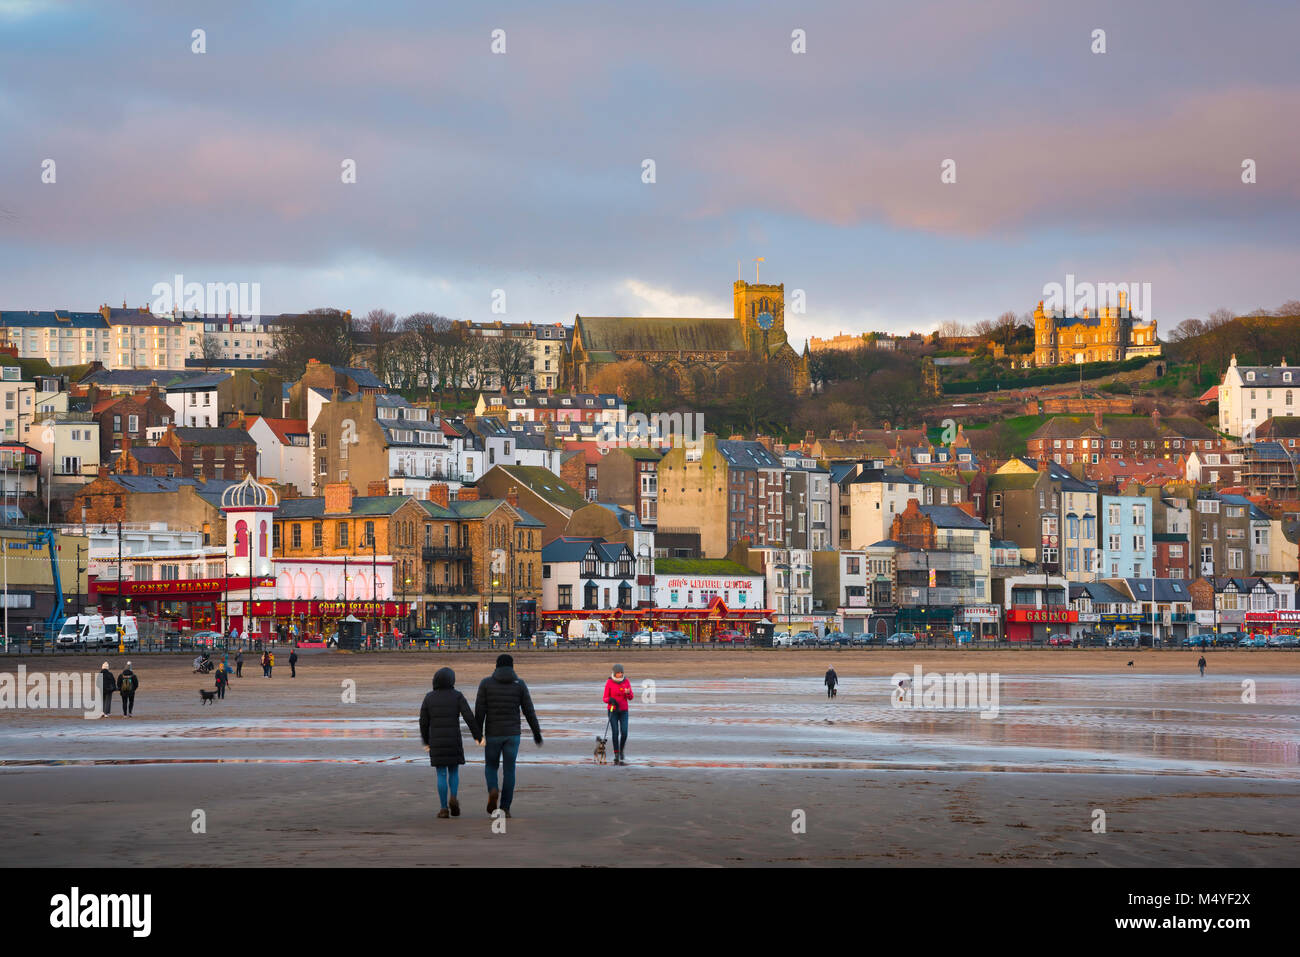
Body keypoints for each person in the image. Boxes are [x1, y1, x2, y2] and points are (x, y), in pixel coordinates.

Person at [474, 653, 542, 818]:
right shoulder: (519, 684)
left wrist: (478, 734)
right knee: (509, 770)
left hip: (493, 733)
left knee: (491, 766)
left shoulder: (486, 683)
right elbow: (529, 710)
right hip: (512, 735)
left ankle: (492, 790)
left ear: (496, 666)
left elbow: (480, 711)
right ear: (512, 666)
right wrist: (536, 732)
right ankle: (505, 807)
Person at [420, 667, 482, 819]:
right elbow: (469, 717)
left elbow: (423, 722)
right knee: (453, 771)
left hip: (436, 740)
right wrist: (478, 736)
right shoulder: (457, 696)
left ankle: (443, 808)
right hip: (453, 739)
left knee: (441, 773)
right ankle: (453, 797)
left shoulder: (429, 697)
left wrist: (426, 741)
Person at [603, 664, 633, 765]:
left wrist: (628, 692)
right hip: (613, 710)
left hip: (624, 710)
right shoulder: (609, 682)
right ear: (614, 673)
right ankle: (616, 753)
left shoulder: (626, 681)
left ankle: (621, 750)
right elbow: (604, 698)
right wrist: (610, 700)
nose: (620, 674)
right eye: (618, 673)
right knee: (615, 732)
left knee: (624, 732)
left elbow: (631, 697)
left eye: (621, 672)